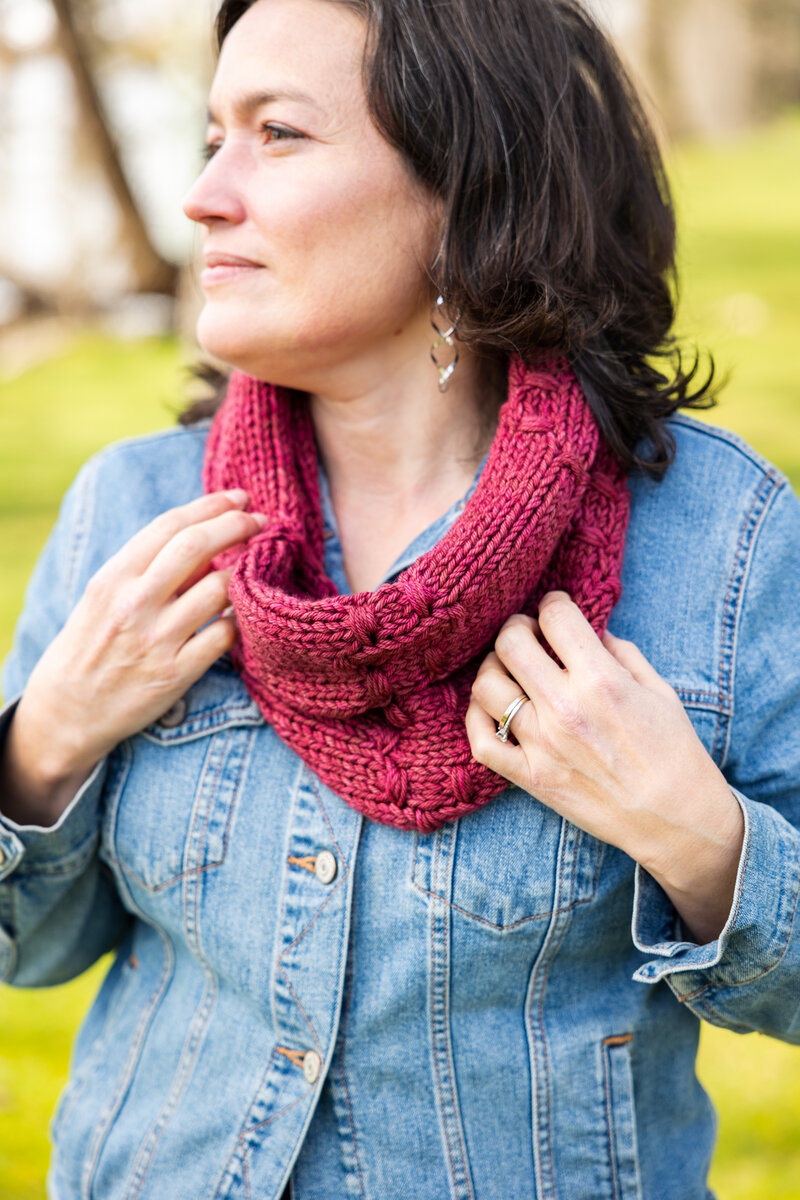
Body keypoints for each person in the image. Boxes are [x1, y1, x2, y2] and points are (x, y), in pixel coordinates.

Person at [1, 0, 798, 1196]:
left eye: (278, 135)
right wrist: (45, 745)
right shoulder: (135, 513)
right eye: (212, 136)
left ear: (467, 185)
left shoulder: (716, 540)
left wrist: (695, 839)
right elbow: (33, 952)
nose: (206, 195)